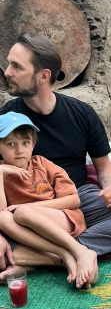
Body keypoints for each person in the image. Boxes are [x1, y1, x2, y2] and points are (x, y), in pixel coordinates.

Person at [0, 33, 111, 280]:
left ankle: (42, 256)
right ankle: (68, 253)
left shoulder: (81, 113)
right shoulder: (7, 118)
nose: (7, 71)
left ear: (43, 76)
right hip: (22, 201)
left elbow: (104, 167)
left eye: (16, 66)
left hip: (76, 197)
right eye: (9, 63)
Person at [0, 111, 98, 288]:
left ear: (33, 144)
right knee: (3, 219)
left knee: (22, 212)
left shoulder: (43, 164)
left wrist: (31, 208)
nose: (19, 150)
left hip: (62, 219)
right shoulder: (1, 172)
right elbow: (2, 213)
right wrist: (0, 173)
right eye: (10, 144)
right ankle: (63, 256)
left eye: (25, 143)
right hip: (26, 230)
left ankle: (80, 251)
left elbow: (74, 200)